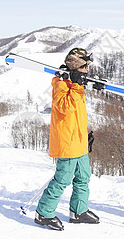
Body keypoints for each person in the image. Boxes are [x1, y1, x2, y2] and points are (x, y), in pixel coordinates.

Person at [34, 48, 100, 231]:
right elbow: (64, 108)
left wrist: (84, 134)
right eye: (85, 65)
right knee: (62, 179)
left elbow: (78, 113)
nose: (87, 69)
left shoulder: (75, 83)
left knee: (83, 177)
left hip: (79, 141)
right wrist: (76, 86)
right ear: (76, 66)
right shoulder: (61, 84)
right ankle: (43, 213)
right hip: (67, 143)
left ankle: (78, 211)